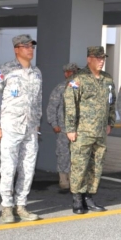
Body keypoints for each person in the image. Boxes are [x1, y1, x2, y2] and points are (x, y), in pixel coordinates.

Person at [0, 34, 42, 223]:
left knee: (28, 168)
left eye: (32, 46)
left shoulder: (37, 72)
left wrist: (37, 122)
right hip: (11, 126)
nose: (30, 49)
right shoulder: (4, 69)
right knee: (8, 167)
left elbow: (38, 99)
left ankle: (21, 205)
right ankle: (6, 207)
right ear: (16, 49)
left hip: (30, 127)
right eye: (26, 46)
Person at [64, 46, 116, 214]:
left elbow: (111, 102)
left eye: (103, 58)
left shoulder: (107, 79)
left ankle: (89, 197)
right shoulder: (78, 79)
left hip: (100, 132)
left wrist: (110, 121)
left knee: (96, 165)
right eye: (98, 58)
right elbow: (70, 104)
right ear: (89, 59)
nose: (101, 61)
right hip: (82, 131)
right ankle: (77, 198)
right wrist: (71, 128)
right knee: (80, 165)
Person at [47, 62, 79, 193]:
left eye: (72, 72)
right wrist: (54, 124)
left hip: (78, 128)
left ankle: (74, 179)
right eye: (67, 72)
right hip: (63, 128)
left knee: (76, 155)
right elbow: (52, 107)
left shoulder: (81, 87)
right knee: (63, 154)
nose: (69, 74)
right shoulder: (60, 87)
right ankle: (63, 179)